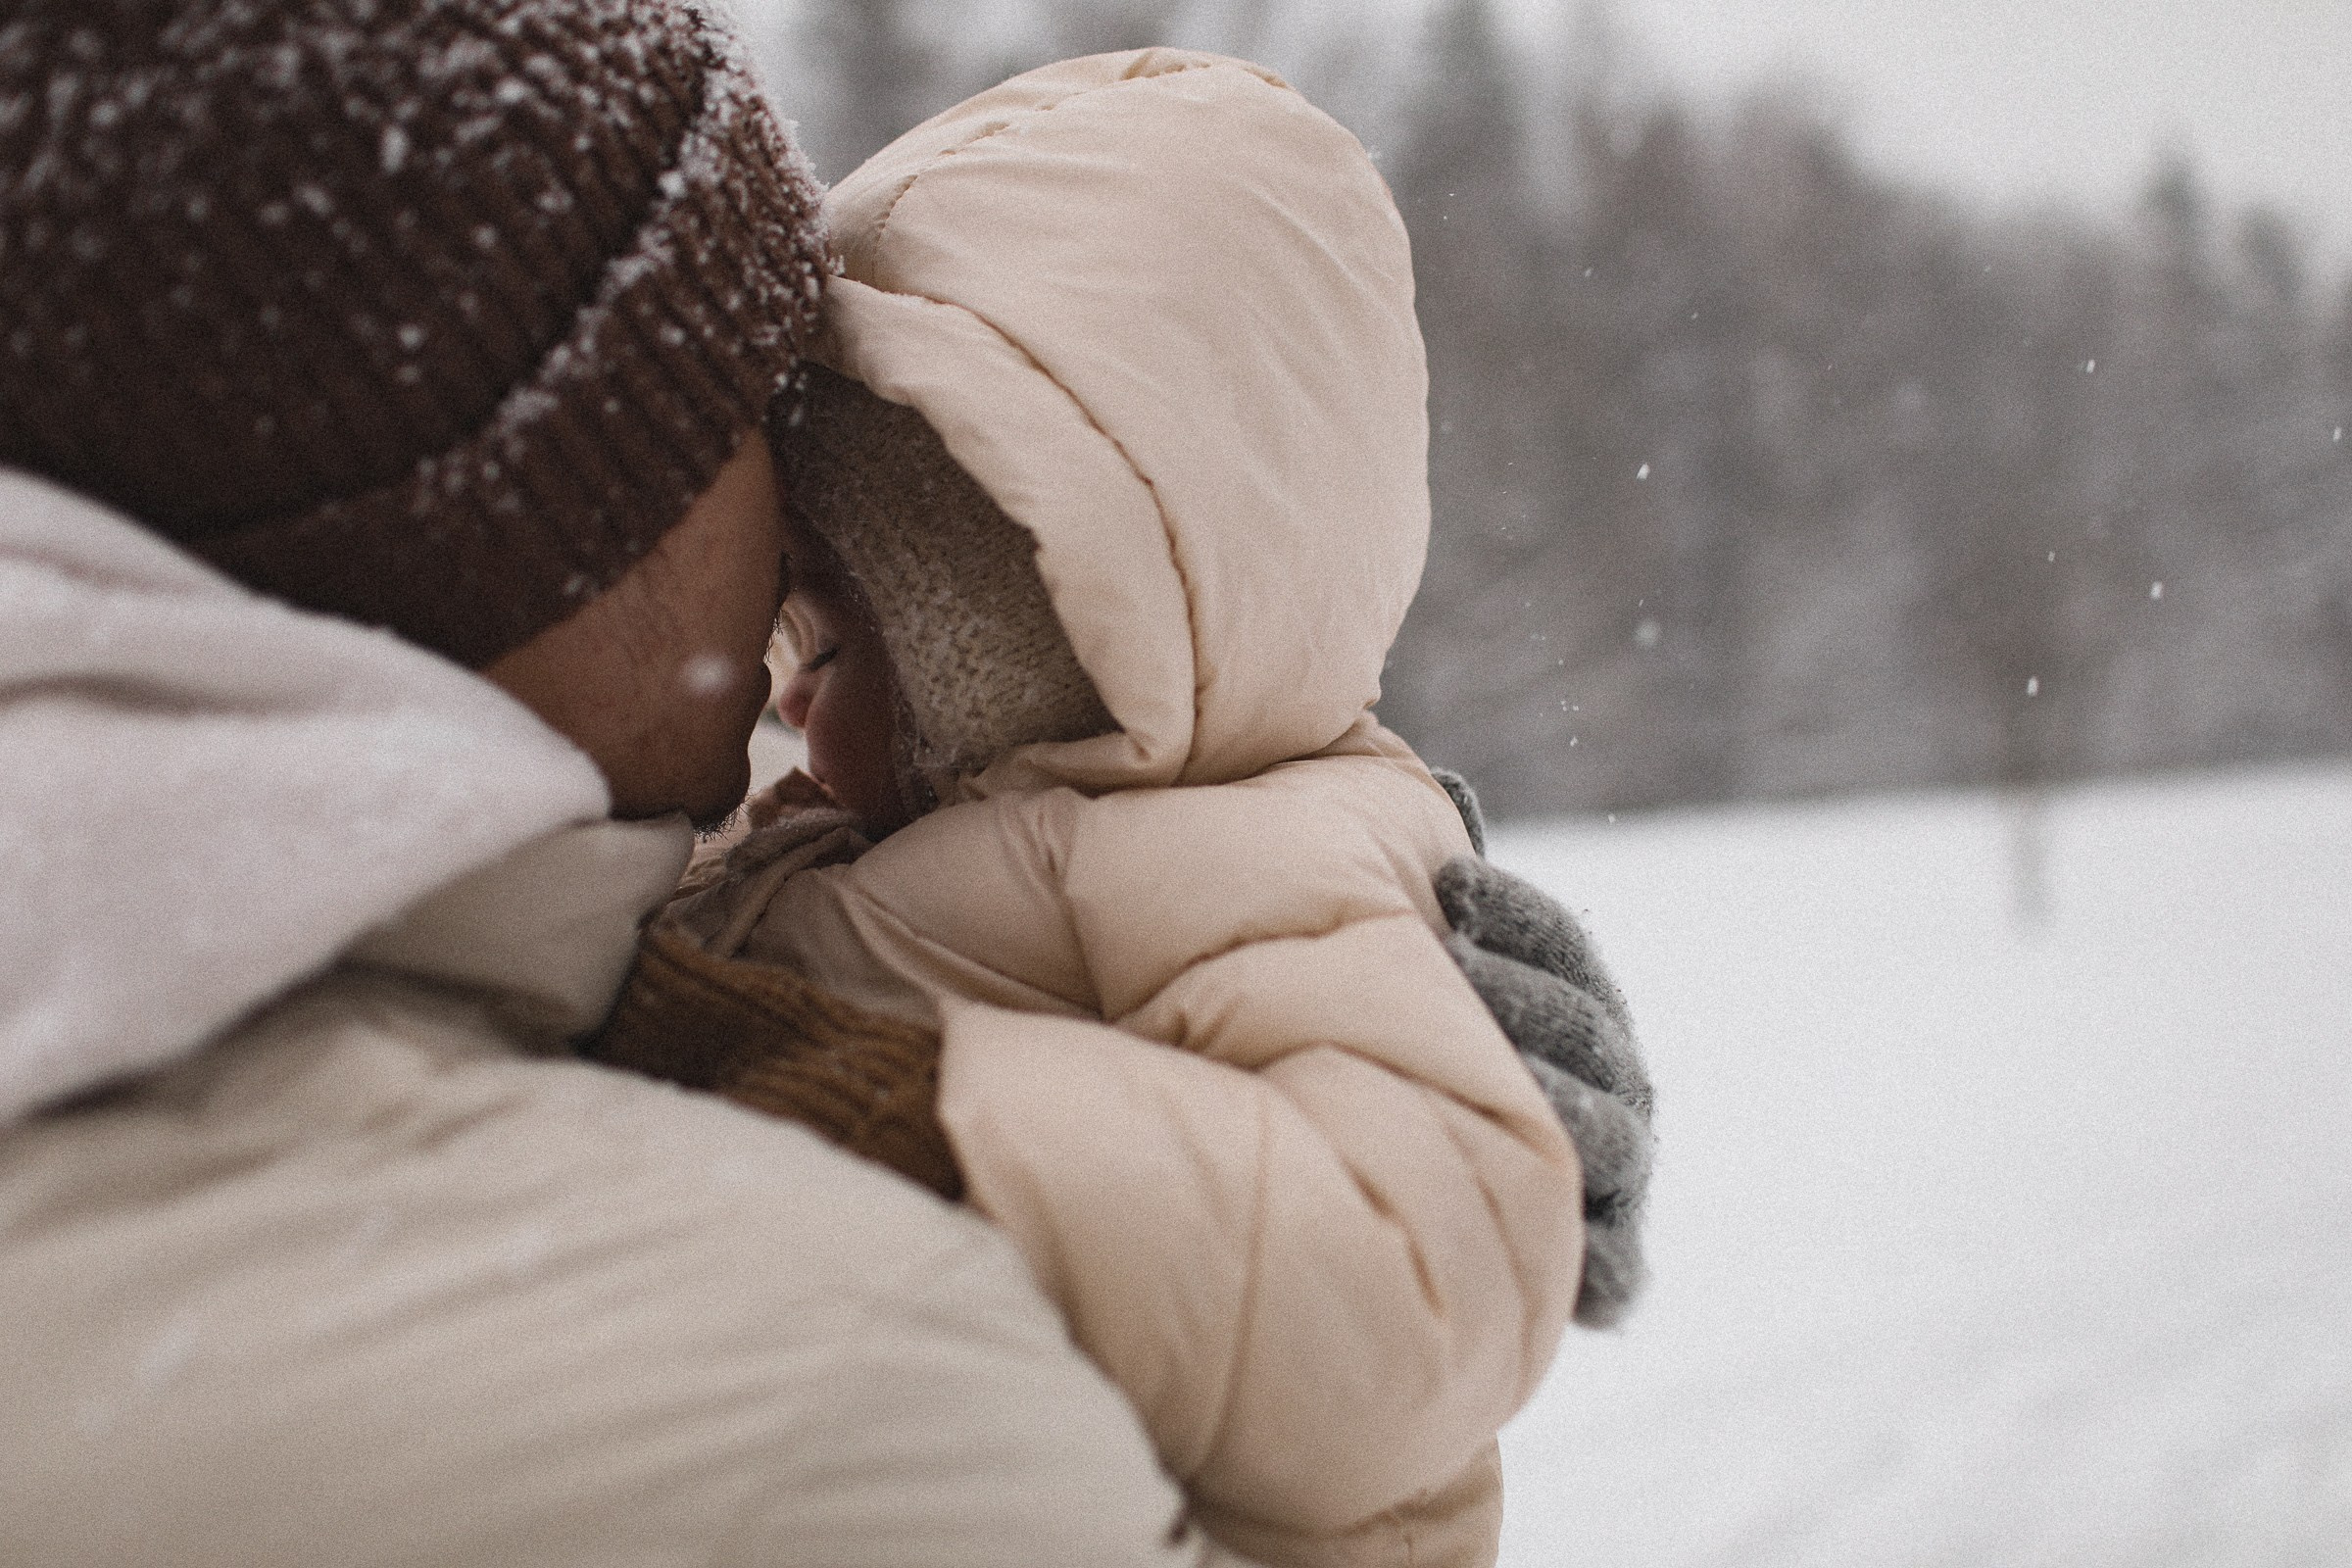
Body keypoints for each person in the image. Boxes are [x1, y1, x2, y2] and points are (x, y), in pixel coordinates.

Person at [0, 4, 1647, 1564]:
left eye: (838, 616)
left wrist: (889, 1110)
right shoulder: (828, 1390)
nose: (778, 666)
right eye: (726, 438)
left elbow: (1393, 1286)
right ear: (528, 531)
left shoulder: (200, 967)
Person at [591, 52, 1653, 1568]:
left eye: (826, 648)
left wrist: (900, 1131)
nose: (783, 708)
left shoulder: (1273, 862)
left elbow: (1411, 1284)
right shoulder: (875, 840)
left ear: (1029, 643)